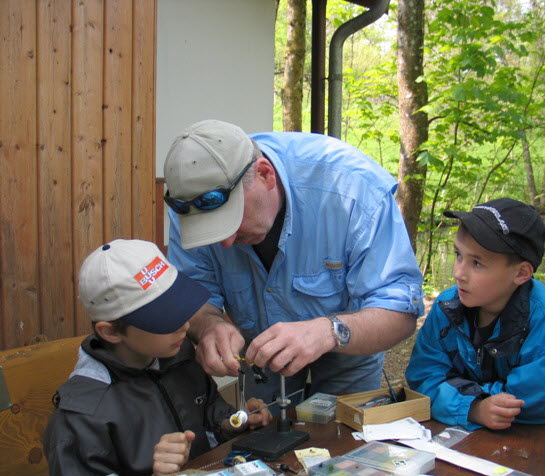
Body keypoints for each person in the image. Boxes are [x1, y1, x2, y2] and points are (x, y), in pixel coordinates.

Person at [163, 119, 424, 404]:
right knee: (265, 433)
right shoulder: (189, 205)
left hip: (350, 344)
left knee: (345, 437)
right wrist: (209, 325)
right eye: (211, 232)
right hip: (260, 353)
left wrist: (328, 331)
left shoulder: (351, 189)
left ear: (265, 175)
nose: (224, 243)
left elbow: (400, 314)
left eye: (231, 221)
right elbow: (194, 295)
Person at [44, 239, 271, 476]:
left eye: (181, 307)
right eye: (164, 318)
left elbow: (209, 418)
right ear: (110, 332)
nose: (184, 325)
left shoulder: (174, 352)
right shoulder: (80, 419)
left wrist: (234, 423)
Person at [405, 198, 545, 430]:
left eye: (477, 264)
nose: (458, 273)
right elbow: (422, 377)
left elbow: (532, 404)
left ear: (521, 273)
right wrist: (474, 407)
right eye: (458, 255)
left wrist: (458, 397)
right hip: (466, 435)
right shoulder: (448, 306)